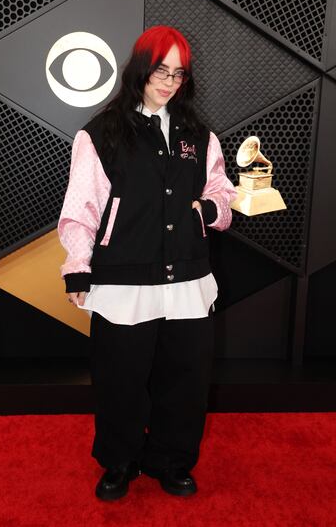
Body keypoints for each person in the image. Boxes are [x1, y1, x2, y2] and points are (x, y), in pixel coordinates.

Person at [57, 25, 237, 501]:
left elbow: (221, 190)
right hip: (123, 282)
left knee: (185, 379)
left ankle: (172, 459)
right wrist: (78, 266)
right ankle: (119, 461)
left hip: (188, 278)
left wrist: (211, 210)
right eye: (161, 70)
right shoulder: (101, 133)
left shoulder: (199, 135)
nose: (169, 81)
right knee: (121, 379)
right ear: (140, 67)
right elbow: (81, 209)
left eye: (178, 73)